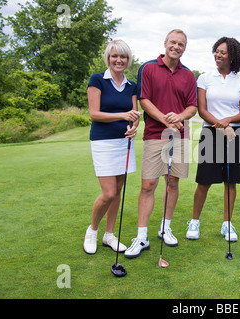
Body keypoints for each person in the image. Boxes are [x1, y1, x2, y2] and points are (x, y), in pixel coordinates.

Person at [125, 29, 197, 259]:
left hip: (179, 136)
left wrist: (181, 116)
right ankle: (142, 236)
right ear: (165, 43)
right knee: (148, 184)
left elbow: (192, 107)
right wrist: (165, 118)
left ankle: (166, 228)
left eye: (181, 44)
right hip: (155, 135)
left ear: (185, 48)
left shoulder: (188, 75)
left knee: (173, 182)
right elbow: (144, 100)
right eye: (173, 42)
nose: (176, 47)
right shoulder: (148, 68)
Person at [186, 37, 240, 242]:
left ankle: (227, 224)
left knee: (231, 182)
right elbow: (202, 110)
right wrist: (221, 124)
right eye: (216, 51)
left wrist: (228, 122)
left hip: (234, 134)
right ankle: (194, 221)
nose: (218, 55)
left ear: (233, 56)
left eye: (223, 52)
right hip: (211, 132)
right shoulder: (204, 78)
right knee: (204, 181)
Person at [83, 39, 141, 255]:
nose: (119, 60)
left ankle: (109, 235)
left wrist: (134, 126)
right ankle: (92, 230)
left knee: (118, 191)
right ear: (108, 58)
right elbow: (94, 113)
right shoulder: (97, 80)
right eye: (115, 56)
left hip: (123, 142)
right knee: (108, 193)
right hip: (103, 142)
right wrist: (123, 115)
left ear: (128, 60)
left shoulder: (131, 85)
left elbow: (135, 115)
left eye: (123, 56)